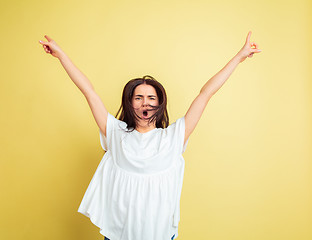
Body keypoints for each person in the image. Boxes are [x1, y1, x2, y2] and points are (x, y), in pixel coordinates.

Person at [38, 32, 261, 240]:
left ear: (160, 103)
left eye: (151, 97)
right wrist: (61, 56)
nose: (145, 102)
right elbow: (89, 91)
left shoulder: (174, 137)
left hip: (160, 232)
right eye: (139, 97)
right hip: (118, 232)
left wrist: (239, 57)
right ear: (130, 102)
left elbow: (206, 94)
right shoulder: (115, 133)